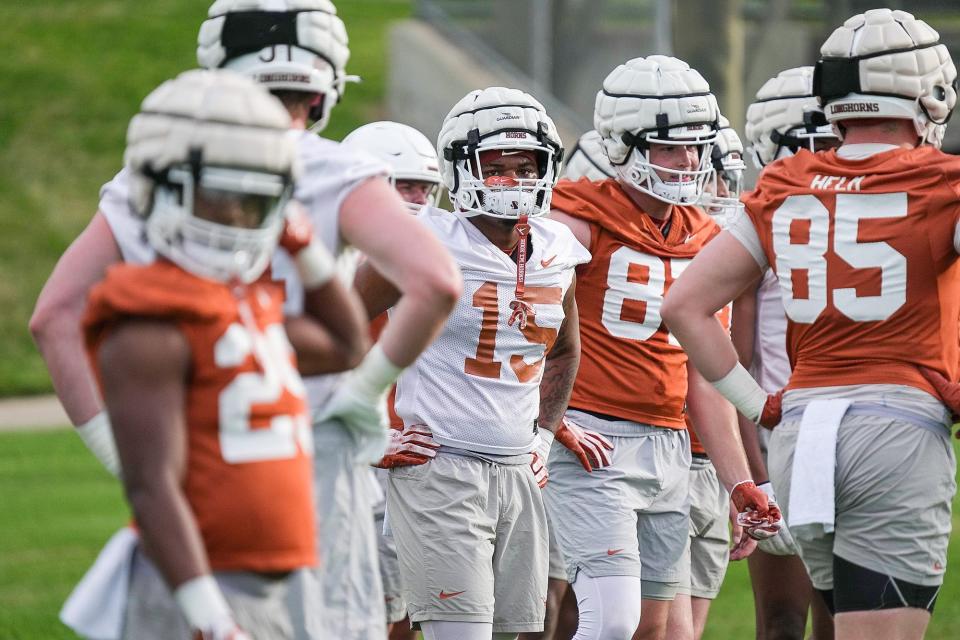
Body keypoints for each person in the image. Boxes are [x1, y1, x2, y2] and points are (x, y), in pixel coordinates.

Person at [33, 2, 461, 636]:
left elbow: (53, 317)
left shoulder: (155, 182)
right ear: (326, 83)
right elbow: (432, 283)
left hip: (192, 448)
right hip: (302, 445)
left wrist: (119, 456)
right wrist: (362, 392)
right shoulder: (331, 178)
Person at [662, 9, 958, 640]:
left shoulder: (783, 184)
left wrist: (757, 403)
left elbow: (683, 305)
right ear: (929, 92)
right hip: (896, 428)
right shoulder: (941, 183)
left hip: (803, 433)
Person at [84, 69, 364, 640]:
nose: (237, 216)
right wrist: (210, 618)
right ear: (162, 190)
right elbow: (151, 483)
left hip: (269, 584)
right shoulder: (149, 323)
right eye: (220, 197)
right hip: (200, 590)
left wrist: (305, 248)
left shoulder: (242, 302)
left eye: (254, 200)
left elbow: (347, 344)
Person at [545, 55, 778, 640]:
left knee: (658, 631)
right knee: (609, 621)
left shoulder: (705, 235)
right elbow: (513, 337)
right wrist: (550, 422)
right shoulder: (573, 222)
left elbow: (704, 377)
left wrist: (737, 481)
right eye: (671, 147)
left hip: (671, 448)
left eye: (696, 147)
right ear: (623, 144)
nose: (690, 161)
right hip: (593, 441)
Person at [354, 86, 591, 640]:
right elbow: (333, 335)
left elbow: (563, 351)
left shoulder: (558, 249)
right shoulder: (420, 240)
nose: (514, 179)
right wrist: (367, 433)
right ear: (463, 168)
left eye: (526, 165)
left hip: (517, 471)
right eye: (498, 167)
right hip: (440, 467)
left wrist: (542, 436)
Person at [737, 66, 840, 640]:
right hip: (782, 435)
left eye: (835, 142)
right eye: (812, 144)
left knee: (844, 614)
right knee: (779, 622)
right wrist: (758, 473)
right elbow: (736, 364)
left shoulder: (884, 215)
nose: (827, 157)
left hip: (857, 430)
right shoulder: (759, 221)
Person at [341, 119, 444, 640]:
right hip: (350, 460)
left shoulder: (435, 258)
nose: (419, 200)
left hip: (417, 463)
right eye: (405, 185)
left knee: (406, 615)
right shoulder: (330, 266)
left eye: (426, 187)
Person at [665, 116, 753, 640]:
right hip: (662, 449)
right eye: (713, 175)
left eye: (727, 176)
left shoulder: (733, 248)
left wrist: (738, 479)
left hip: (708, 456)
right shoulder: (653, 244)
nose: (723, 191)